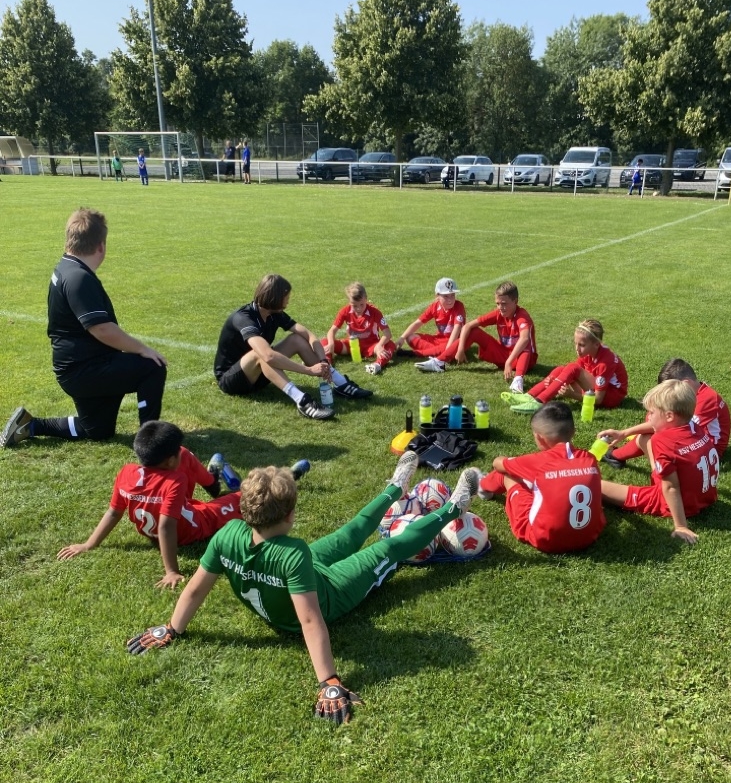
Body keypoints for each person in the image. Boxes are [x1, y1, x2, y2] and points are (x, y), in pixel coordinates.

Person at [125, 453, 483, 724]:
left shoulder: (227, 534)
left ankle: (395, 488)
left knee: (349, 533)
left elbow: (195, 590)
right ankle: (454, 508)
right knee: (387, 548)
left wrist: (171, 628)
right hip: (331, 595)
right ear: (290, 515)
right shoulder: (292, 554)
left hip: (300, 576)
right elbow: (310, 621)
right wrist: (328, 680)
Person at [1, 208, 167, 449]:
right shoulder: (78, 278)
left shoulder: (66, 267)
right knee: (152, 367)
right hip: (85, 370)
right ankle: (150, 444)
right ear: (101, 246)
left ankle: (32, 425)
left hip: (79, 367)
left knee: (98, 430)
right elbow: (101, 329)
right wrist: (142, 349)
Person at [57, 421, 242, 589]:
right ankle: (224, 486)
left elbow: (114, 512)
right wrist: (171, 571)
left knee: (185, 455)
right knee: (243, 497)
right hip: (193, 526)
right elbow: (166, 526)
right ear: (171, 461)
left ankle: (213, 482)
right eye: (176, 451)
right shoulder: (175, 481)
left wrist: (89, 544)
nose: (179, 451)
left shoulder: (127, 472)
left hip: (169, 512)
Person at [214, 273, 372, 421]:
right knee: (261, 354)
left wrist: (323, 361)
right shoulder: (243, 318)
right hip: (232, 381)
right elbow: (268, 356)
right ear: (275, 298)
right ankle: (302, 401)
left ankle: (340, 382)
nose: (288, 300)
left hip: (259, 375)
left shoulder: (274, 313)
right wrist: (308, 370)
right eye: (286, 297)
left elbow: (308, 335)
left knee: (296, 339)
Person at [601, 380, 719, 544]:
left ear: (669, 416)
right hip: (704, 496)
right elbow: (653, 427)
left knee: (596, 486)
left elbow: (671, 487)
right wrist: (624, 433)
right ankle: (616, 456)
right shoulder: (692, 425)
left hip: (675, 502)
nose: (648, 416)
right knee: (644, 438)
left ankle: (587, 477)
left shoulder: (662, 441)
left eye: (652, 412)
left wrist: (681, 526)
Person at [479, 401, 605, 552]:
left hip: (546, 539)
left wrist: (509, 461)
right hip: (589, 537)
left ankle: (482, 486)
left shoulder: (538, 462)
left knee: (507, 475)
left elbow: (498, 464)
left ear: (539, 438)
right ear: (573, 432)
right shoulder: (590, 459)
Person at [601, 358, 731, 469]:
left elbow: (674, 428)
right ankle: (616, 456)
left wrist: (626, 432)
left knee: (649, 438)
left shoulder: (706, 400)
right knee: (654, 428)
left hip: (706, 452)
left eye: (670, 391)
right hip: (697, 444)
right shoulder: (694, 394)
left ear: (685, 384)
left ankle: (660, 475)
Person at [435, 281, 537, 390]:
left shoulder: (522, 316)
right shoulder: (498, 313)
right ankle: (439, 361)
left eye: (504, 303)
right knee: (474, 331)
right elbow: (467, 326)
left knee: (524, 345)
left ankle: (518, 380)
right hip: (505, 355)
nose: (500, 307)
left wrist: (509, 362)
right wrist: (460, 349)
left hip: (525, 361)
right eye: (498, 303)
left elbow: (524, 339)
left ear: (515, 301)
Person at [508, 319, 627, 412]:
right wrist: (554, 382)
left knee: (572, 368)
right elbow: (569, 374)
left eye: (581, 345)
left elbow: (598, 399)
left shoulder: (605, 362)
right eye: (575, 343)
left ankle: (539, 402)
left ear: (596, 344)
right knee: (562, 369)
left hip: (610, 397)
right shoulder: (589, 353)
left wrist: (572, 395)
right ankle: (530, 396)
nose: (577, 348)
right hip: (595, 389)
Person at [324, 282, 394, 376]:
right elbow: (332, 331)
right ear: (349, 302)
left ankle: (377, 365)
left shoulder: (375, 312)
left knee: (390, 345)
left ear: (366, 299)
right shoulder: (345, 311)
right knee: (325, 341)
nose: (358, 308)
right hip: (351, 346)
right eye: (355, 305)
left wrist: (379, 345)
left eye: (361, 304)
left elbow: (387, 334)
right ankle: (327, 364)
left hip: (371, 347)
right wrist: (331, 344)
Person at [394, 278, 466, 366]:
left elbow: (457, 328)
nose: (450, 299)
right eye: (446, 296)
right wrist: (401, 338)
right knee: (410, 337)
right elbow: (418, 323)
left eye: (452, 295)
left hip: (454, 341)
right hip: (439, 340)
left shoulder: (459, 306)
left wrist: (448, 350)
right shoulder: (434, 307)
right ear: (437, 296)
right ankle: (436, 352)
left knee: (452, 346)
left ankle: (415, 353)